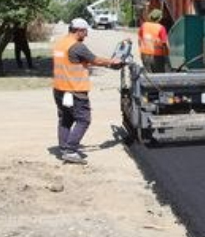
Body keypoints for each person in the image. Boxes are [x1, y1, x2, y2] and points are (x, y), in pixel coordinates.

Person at [53, 18, 122, 164]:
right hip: (74, 90)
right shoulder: (77, 46)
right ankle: (71, 150)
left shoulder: (61, 43)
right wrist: (113, 62)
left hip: (60, 89)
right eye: (85, 32)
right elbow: (95, 60)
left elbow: (79, 61)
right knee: (83, 120)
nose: (86, 35)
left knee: (65, 119)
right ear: (79, 31)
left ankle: (64, 147)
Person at [138, 9, 169, 73]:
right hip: (157, 56)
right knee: (159, 76)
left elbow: (140, 40)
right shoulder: (161, 28)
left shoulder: (144, 26)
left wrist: (141, 52)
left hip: (145, 55)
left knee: (149, 76)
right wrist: (167, 56)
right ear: (159, 18)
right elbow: (165, 43)